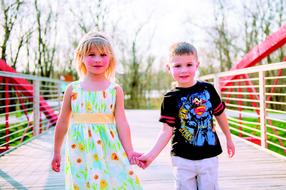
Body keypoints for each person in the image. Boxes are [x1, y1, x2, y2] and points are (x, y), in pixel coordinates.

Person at [51, 31, 143, 189]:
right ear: (81, 57)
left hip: (108, 146)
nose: (97, 59)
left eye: (103, 55)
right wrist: (56, 151)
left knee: (115, 181)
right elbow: (63, 121)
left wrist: (129, 151)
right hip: (79, 148)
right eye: (91, 54)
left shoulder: (115, 89)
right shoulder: (72, 89)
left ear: (111, 59)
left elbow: (121, 121)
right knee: (82, 183)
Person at [138, 42, 235, 190]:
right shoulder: (170, 98)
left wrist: (229, 138)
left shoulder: (207, 89)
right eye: (177, 66)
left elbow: (220, 114)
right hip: (182, 158)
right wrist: (150, 156)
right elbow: (166, 131)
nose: (184, 70)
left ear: (197, 65)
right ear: (168, 68)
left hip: (208, 155)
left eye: (189, 64)